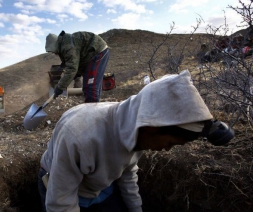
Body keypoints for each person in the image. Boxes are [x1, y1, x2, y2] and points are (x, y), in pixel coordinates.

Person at [38, 70, 234, 212]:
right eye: (170, 143)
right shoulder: (80, 136)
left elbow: (126, 171)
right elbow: (60, 203)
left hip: (99, 186)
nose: (167, 150)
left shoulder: (137, 126)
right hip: (60, 186)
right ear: (152, 127)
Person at [45, 30, 109, 103]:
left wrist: (59, 88)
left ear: (55, 45)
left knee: (90, 86)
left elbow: (72, 69)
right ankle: (94, 107)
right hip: (89, 57)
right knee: (87, 87)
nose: (53, 53)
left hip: (97, 52)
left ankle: (92, 112)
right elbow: (73, 63)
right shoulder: (63, 44)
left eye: (52, 50)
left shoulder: (67, 46)